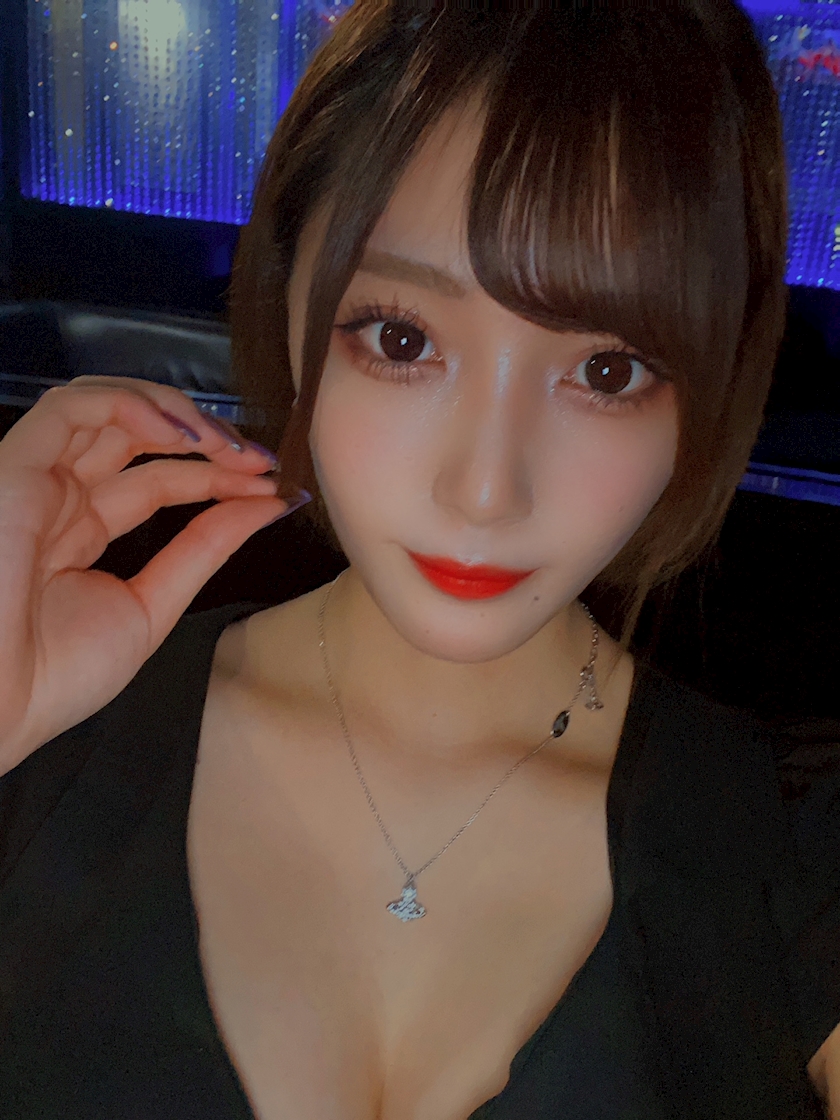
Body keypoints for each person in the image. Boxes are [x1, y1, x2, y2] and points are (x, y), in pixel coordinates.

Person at [0, 3, 839, 1118]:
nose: (485, 491)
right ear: (292, 302)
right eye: (403, 339)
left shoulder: (795, 844)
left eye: (608, 371)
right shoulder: (45, 738)